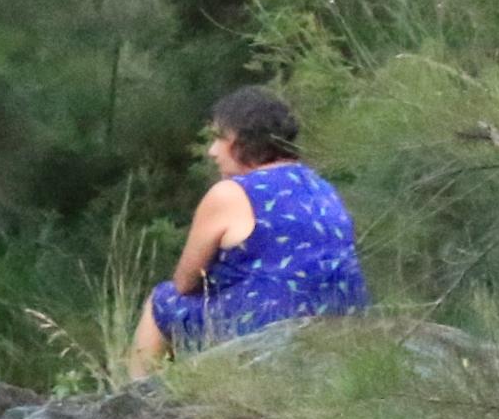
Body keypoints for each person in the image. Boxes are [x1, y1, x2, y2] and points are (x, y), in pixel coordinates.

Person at [130, 86, 370, 376]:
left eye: (220, 138)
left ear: (245, 140)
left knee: (161, 301)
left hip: (268, 325)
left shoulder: (231, 193)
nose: (212, 151)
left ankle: (137, 400)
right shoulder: (322, 187)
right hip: (342, 323)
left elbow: (186, 282)